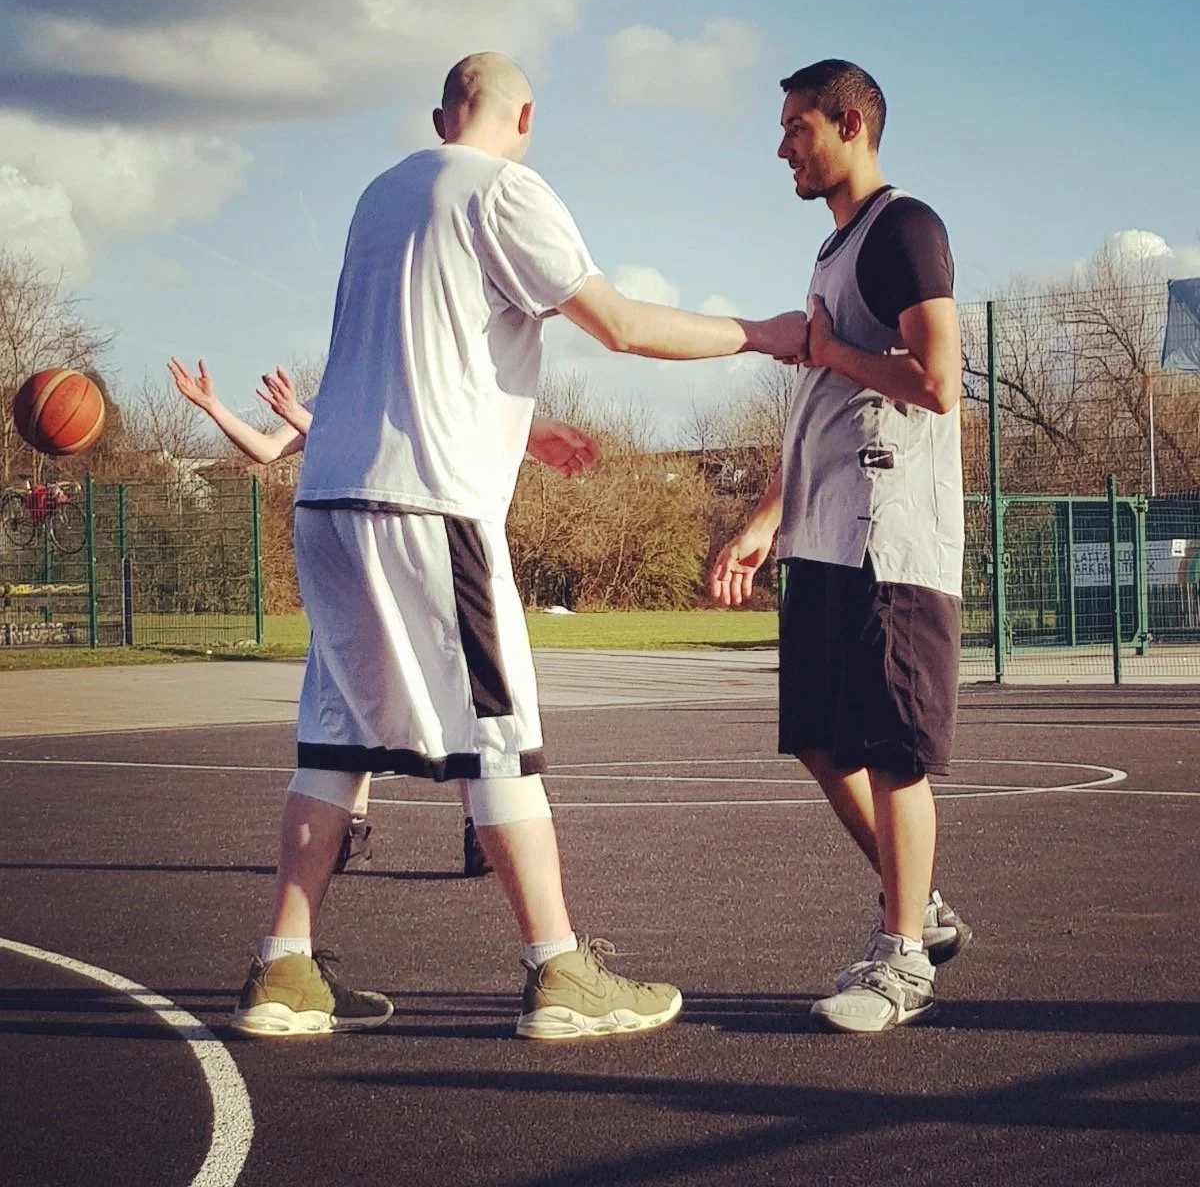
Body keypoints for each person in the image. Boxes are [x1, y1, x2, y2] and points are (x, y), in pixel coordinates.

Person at [229, 51, 809, 1039]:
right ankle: (559, 971)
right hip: (429, 510)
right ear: (524, 114)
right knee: (497, 737)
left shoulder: (380, 195)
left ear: (439, 115)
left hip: (330, 498)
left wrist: (531, 430)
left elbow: (419, 359)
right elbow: (619, 326)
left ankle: (284, 971)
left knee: (335, 736)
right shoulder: (505, 190)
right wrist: (761, 332)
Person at [709, 59, 972, 1033]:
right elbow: (829, 396)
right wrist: (767, 517)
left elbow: (938, 380)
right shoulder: (833, 252)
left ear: (850, 122)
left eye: (796, 127)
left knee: (893, 752)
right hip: (821, 537)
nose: (782, 145)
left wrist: (826, 351)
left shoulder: (906, 229)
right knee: (819, 741)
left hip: (887, 542)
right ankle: (923, 908)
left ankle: (903, 957)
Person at [168, 355, 577, 878]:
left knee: (457, 691)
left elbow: (384, 450)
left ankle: (479, 828)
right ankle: (349, 829)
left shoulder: (425, 395)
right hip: (354, 560)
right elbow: (265, 451)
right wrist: (213, 407)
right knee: (359, 691)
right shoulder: (335, 398)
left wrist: (300, 417)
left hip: (416, 551)